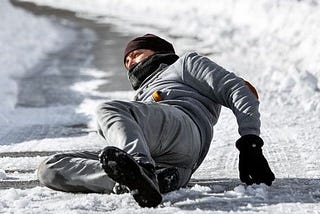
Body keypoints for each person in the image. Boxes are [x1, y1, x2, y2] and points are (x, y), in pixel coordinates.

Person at [37, 34, 275, 208]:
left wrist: (250, 143)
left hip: (183, 126)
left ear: (158, 51)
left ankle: (141, 167)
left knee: (108, 109)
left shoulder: (185, 65)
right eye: (126, 60)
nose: (130, 61)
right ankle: (141, 181)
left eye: (136, 53)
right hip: (174, 164)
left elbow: (239, 89)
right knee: (50, 168)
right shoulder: (140, 96)